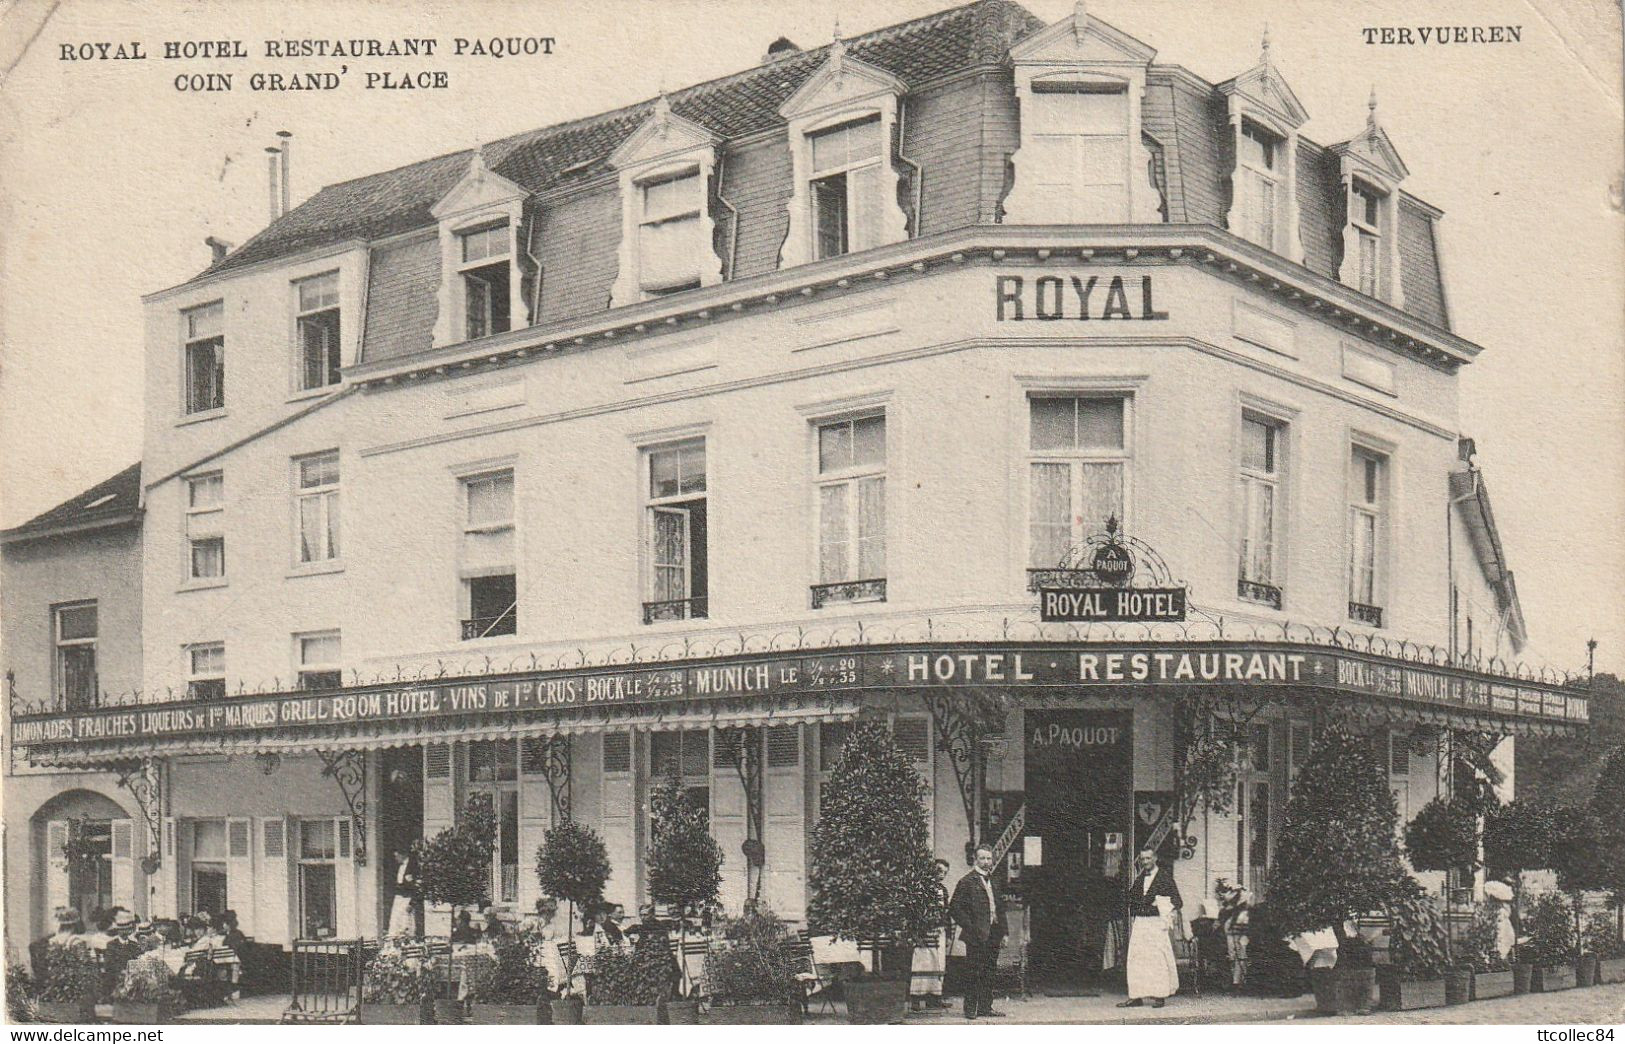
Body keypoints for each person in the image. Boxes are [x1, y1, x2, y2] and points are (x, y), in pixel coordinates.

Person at [948, 844, 1006, 1020]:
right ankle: (970, 1009)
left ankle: (985, 1007)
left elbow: (1000, 908)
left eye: (989, 858)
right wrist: (970, 927)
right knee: (974, 972)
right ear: (975, 859)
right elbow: (955, 908)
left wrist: (1004, 933)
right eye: (982, 858)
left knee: (990, 971)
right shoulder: (966, 881)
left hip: (994, 933)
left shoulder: (994, 880)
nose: (986, 861)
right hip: (976, 935)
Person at [1118, 849, 1181, 1008]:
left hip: (1156, 923)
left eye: (1148, 858)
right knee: (1136, 958)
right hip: (1141, 922)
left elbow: (1177, 901)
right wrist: (1139, 905)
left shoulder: (1165, 878)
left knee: (1156, 959)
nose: (1145, 862)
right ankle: (1136, 996)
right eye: (1143, 859)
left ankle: (1159, 995)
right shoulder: (1140, 878)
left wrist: (1161, 903)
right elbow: (1131, 898)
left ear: (1155, 858)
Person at [1215, 879, 1252, 988]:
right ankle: (1236, 981)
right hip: (1232, 929)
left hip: (1239, 928)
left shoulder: (1242, 911)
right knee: (1233, 953)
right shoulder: (1227, 910)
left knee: (1240, 952)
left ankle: (1240, 980)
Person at [386, 845, 421, 937]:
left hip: (407, 899)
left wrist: (412, 903)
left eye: (397, 856)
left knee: (407, 924)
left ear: (403, 855)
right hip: (398, 898)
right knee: (395, 923)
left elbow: (418, 886)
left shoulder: (413, 866)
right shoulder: (398, 867)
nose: (395, 858)